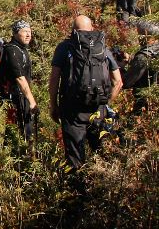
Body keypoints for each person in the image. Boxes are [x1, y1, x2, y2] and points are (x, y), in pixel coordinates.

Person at [48, 15, 123, 170]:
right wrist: (106, 103)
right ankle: (103, 188)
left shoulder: (64, 47)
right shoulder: (102, 47)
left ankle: (79, 190)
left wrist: (54, 106)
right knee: (102, 153)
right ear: (92, 28)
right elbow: (118, 81)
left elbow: (54, 79)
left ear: (73, 30)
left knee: (75, 158)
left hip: (72, 111)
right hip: (98, 110)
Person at [1, 20, 38, 147]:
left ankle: (26, 154)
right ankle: (23, 156)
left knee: (24, 130)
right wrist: (32, 101)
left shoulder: (22, 49)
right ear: (16, 33)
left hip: (22, 97)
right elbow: (20, 78)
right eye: (24, 32)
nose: (28, 35)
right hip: (15, 98)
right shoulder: (12, 50)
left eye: (30, 32)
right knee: (20, 131)